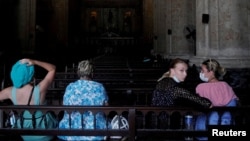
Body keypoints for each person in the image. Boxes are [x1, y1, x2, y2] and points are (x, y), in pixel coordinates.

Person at [0, 58, 56, 141]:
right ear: (32, 75)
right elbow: (52, 69)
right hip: (45, 132)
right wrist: (35, 62)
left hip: (25, 133)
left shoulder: (9, 91)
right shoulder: (39, 90)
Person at [58, 60, 109, 141]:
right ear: (92, 73)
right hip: (95, 130)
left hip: (70, 130)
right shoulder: (99, 87)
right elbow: (106, 107)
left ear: (78, 72)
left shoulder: (70, 87)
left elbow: (65, 104)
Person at [195, 59, 239, 140]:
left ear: (211, 72)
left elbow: (199, 107)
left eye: (202, 70)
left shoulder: (200, 87)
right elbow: (234, 104)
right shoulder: (226, 86)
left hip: (205, 128)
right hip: (227, 126)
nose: (201, 73)